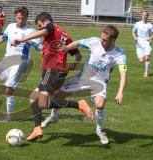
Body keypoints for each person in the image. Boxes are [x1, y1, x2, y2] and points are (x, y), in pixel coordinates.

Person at [12, 12, 94, 142]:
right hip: (58, 71)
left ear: (45, 21)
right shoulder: (64, 34)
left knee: (42, 102)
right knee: (34, 97)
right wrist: (71, 67)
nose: (40, 29)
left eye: (40, 26)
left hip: (53, 70)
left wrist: (22, 40)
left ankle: (79, 105)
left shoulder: (50, 26)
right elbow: (78, 55)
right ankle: (37, 128)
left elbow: (44, 31)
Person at [41, 25, 127, 144]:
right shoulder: (95, 41)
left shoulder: (119, 53)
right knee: (57, 96)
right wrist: (66, 48)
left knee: (100, 104)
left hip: (100, 82)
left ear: (113, 40)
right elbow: (78, 43)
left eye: (105, 40)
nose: (101, 41)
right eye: (101, 38)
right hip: (82, 78)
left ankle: (99, 130)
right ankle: (53, 116)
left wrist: (120, 92)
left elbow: (123, 73)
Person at [132, 10, 153, 78]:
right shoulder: (137, 24)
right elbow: (133, 32)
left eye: (145, 15)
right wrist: (135, 37)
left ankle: (146, 72)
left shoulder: (150, 25)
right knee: (142, 60)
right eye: (143, 15)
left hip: (147, 43)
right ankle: (144, 63)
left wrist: (150, 38)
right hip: (139, 43)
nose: (144, 16)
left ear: (147, 16)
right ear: (141, 16)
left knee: (147, 58)